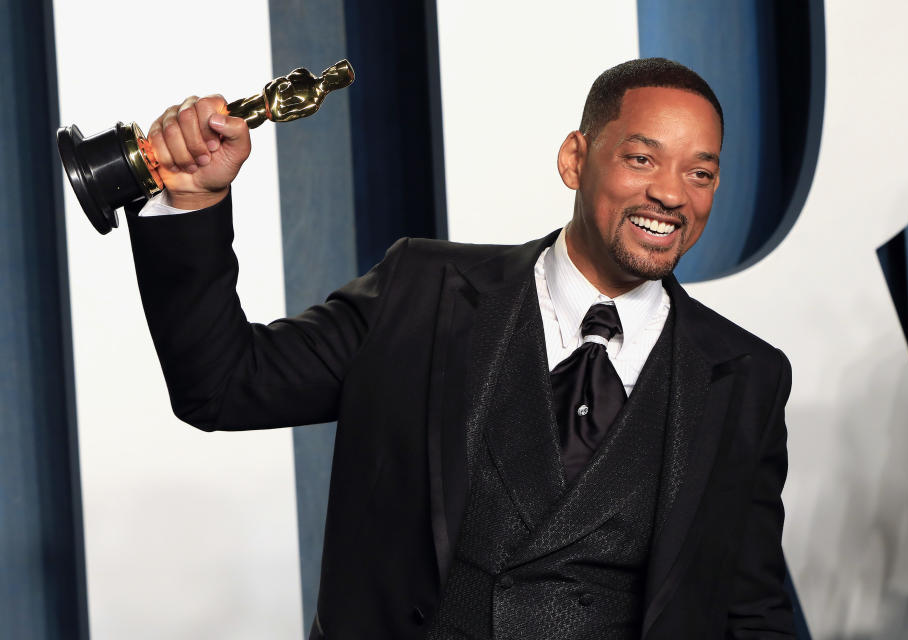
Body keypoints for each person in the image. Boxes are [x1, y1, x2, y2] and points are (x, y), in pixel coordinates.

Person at [130, 58, 795, 638]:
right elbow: (222, 384)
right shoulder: (422, 292)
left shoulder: (747, 379)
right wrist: (193, 201)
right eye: (642, 158)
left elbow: (750, 611)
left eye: (700, 173)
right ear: (575, 158)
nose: (671, 193)